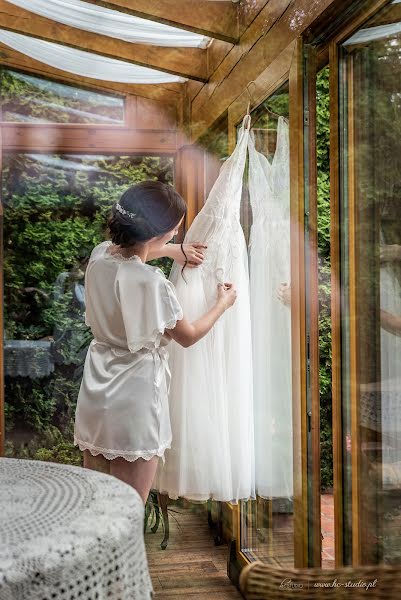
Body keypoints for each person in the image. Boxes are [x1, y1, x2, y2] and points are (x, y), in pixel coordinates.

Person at [74, 181, 237, 502]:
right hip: (135, 395)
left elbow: (127, 258)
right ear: (154, 234)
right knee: (129, 506)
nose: (176, 235)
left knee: (95, 503)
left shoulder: (99, 256)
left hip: (97, 387)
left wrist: (171, 251)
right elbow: (187, 336)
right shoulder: (153, 283)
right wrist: (222, 304)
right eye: (174, 231)